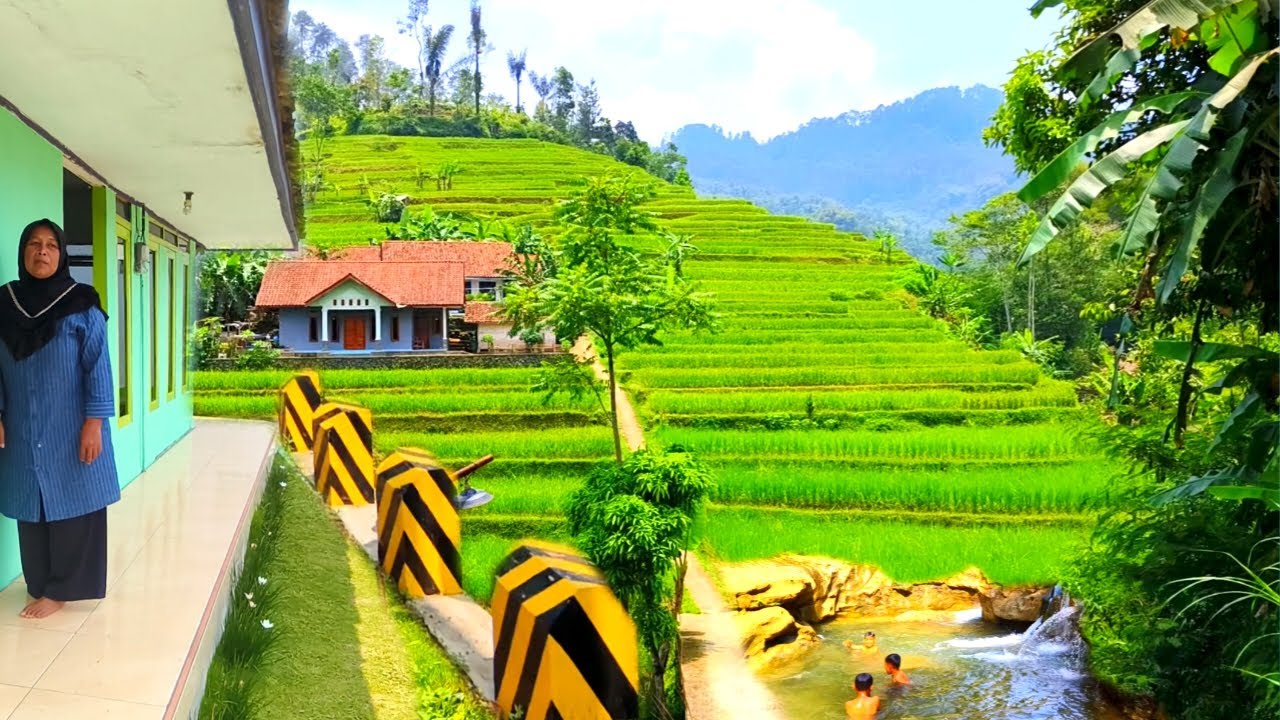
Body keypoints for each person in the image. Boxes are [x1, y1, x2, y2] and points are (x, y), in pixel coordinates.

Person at [0, 219, 119, 619]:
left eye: (51, 245)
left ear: (62, 254)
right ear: (23, 252)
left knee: (73, 501)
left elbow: (98, 365)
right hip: (21, 423)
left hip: (70, 425)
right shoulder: (5, 304)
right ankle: (39, 583)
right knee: (31, 503)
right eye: (34, 244)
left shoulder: (81, 304)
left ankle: (63, 589)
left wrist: (94, 423)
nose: (42, 251)